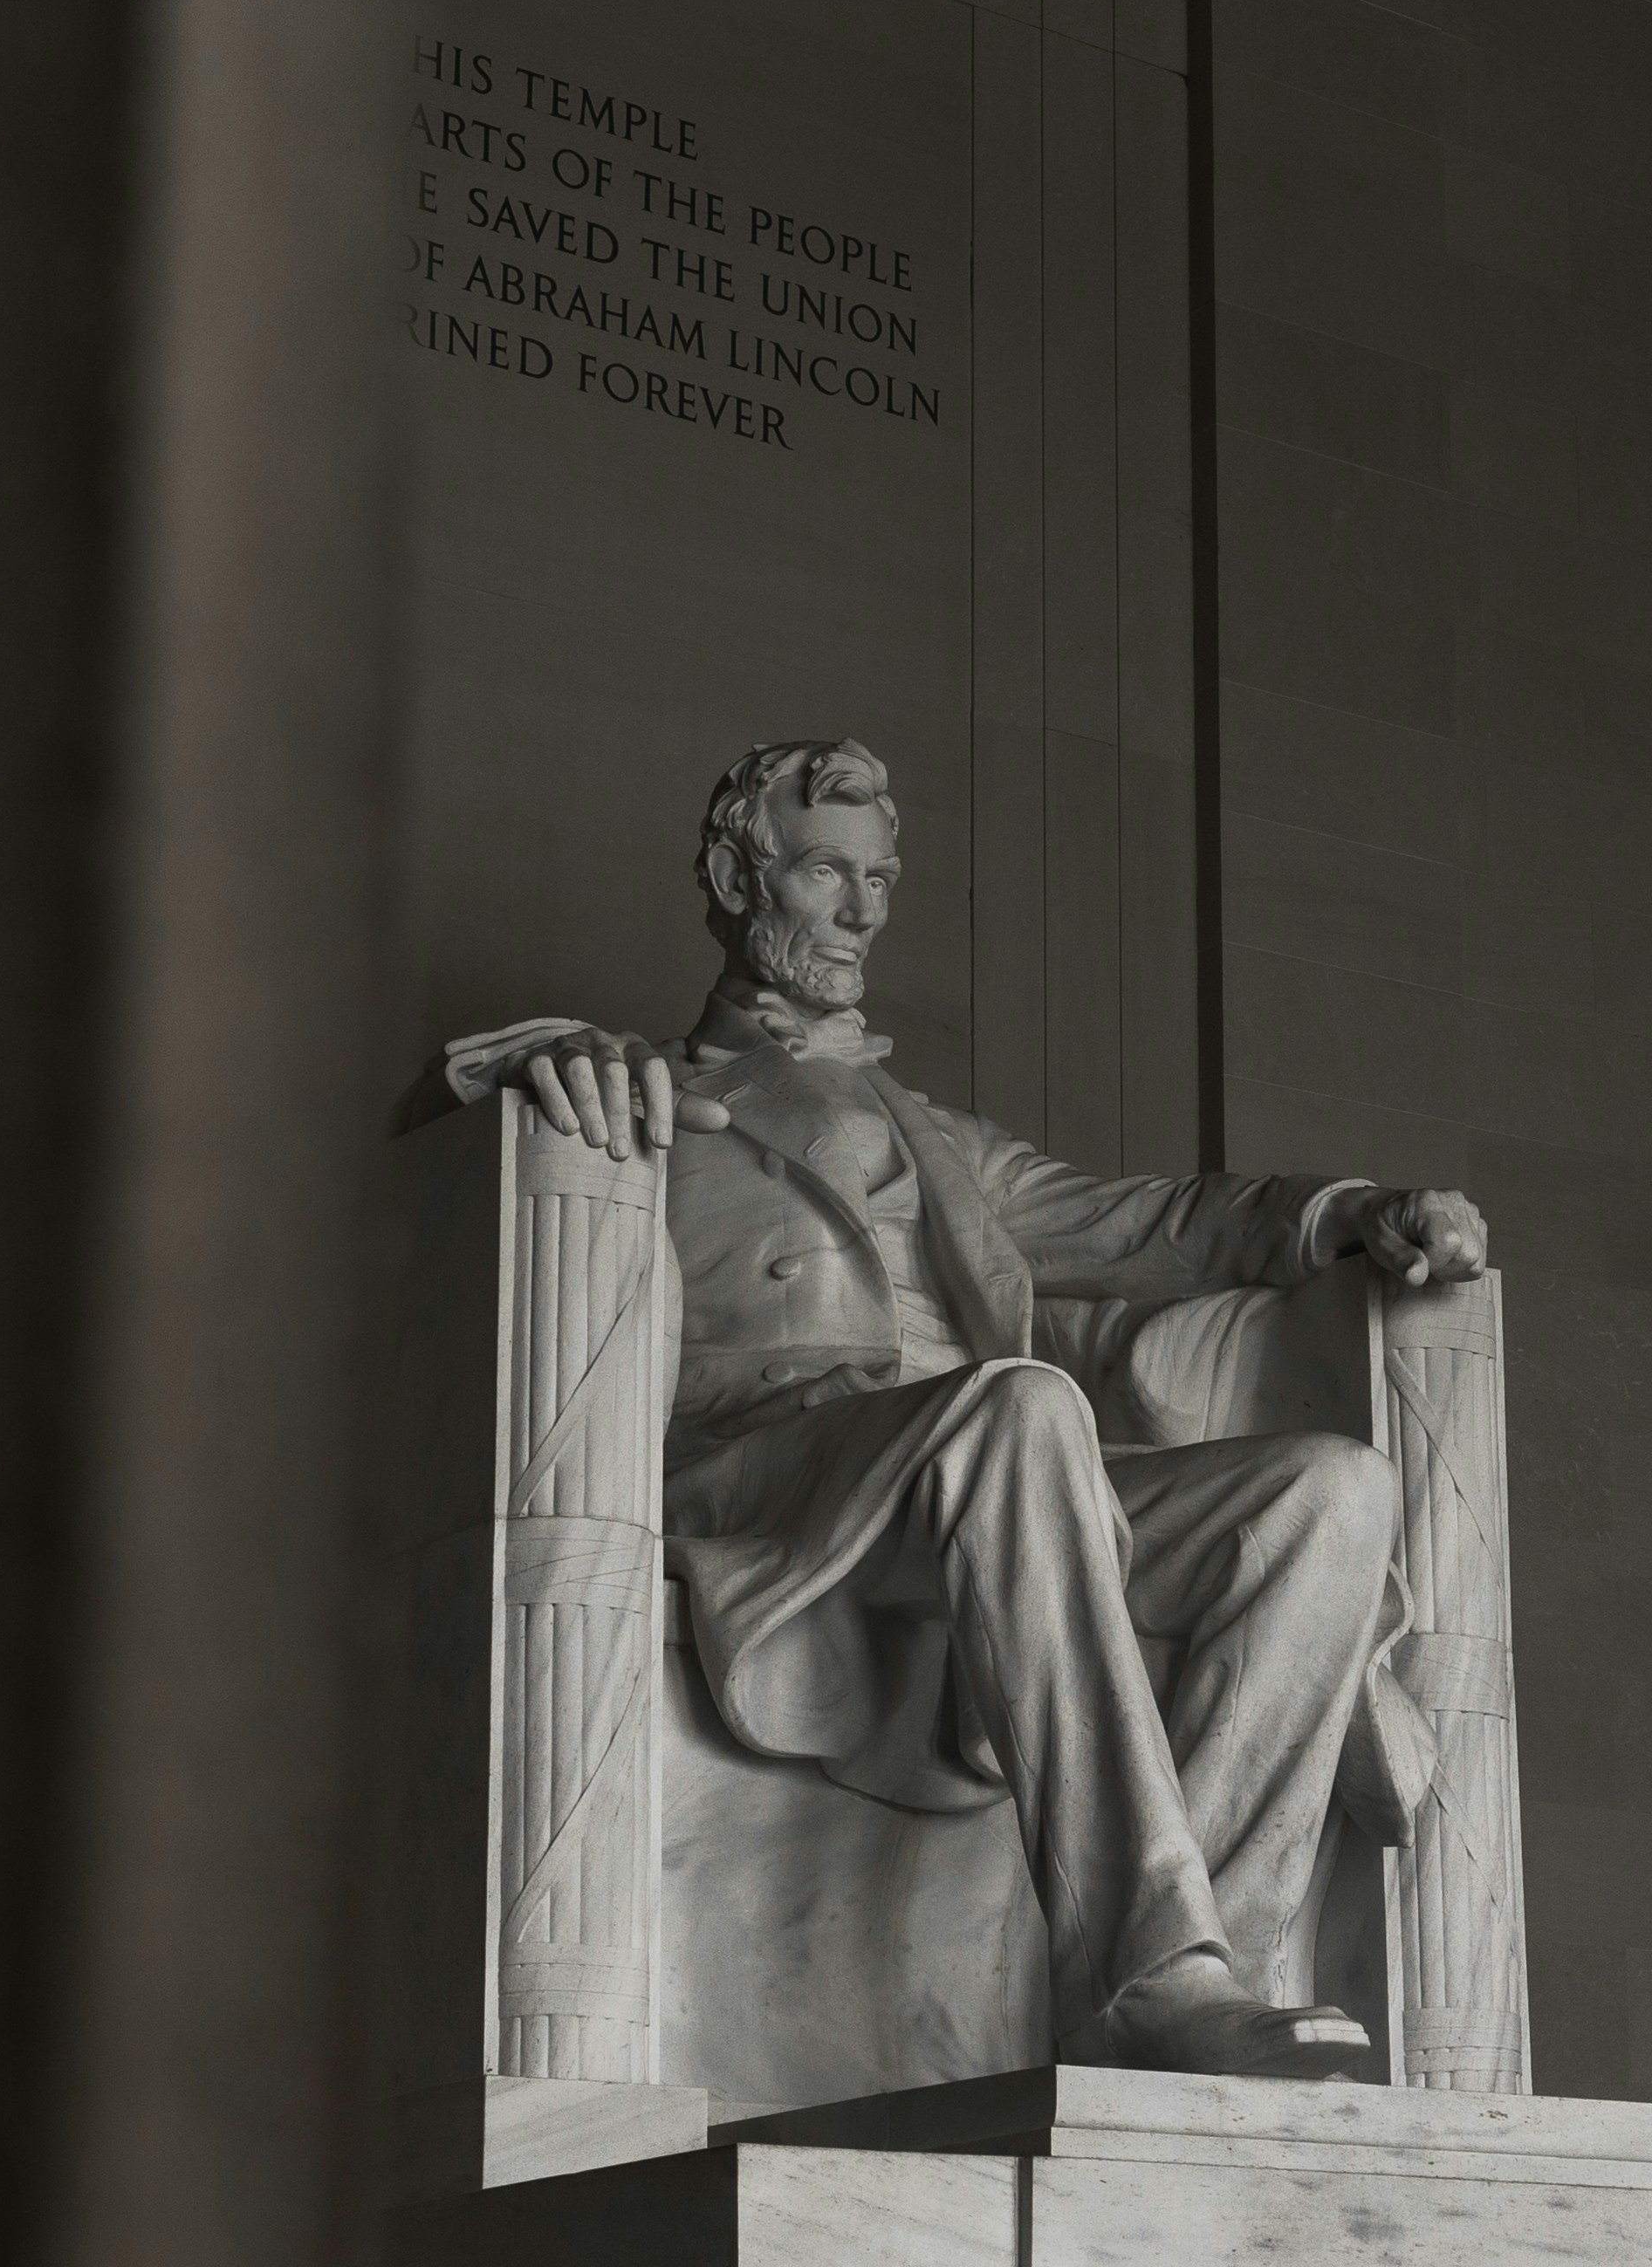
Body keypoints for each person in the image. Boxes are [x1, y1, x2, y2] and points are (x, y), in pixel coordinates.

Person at [415, 738, 1491, 2078]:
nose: (866, 912)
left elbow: (1160, 1222)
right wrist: (541, 1063)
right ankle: (1158, 1972)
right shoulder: (651, 1091)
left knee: (1334, 1494)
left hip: (991, 1479)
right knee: (1028, 1411)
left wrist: (1356, 1215)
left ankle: (1185, 1976)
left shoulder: (949, 1146)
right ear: (738, 882)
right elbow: (435, 1142)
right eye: (827, 874)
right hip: (772, 1476)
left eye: (882, 878)